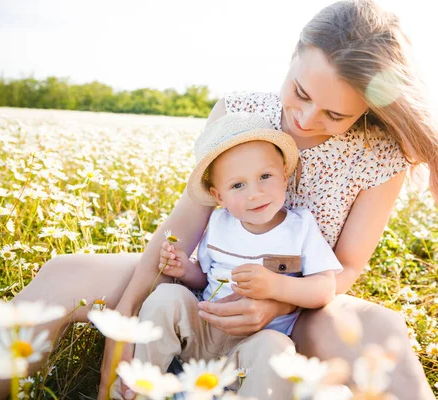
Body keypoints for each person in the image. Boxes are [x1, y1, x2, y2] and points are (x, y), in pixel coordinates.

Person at [0, 1, 438, 399]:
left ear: (366, 109)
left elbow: (348, 266)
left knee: (384, 335)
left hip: (301, 301)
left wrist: (279, 300)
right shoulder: (242, 109)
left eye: (335, 115)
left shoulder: (380, 154)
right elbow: (187, 220)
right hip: (207, 281)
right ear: (293, 56)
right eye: (300, 92)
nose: (305, 121)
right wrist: (126, 315)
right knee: (63, 274)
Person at [110, 112, 343, 399]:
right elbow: (204, 278)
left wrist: (275, 286)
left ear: (285, 174)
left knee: (277, 348)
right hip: (203, 331)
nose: (255, 193)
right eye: (237, 185)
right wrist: (185, 270)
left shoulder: (300, 227)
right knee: (164, 297)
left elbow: (324, 288)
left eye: (265, 177)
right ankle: (141, 385)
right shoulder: (219, 224)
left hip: (252, 346)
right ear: (218, 196)